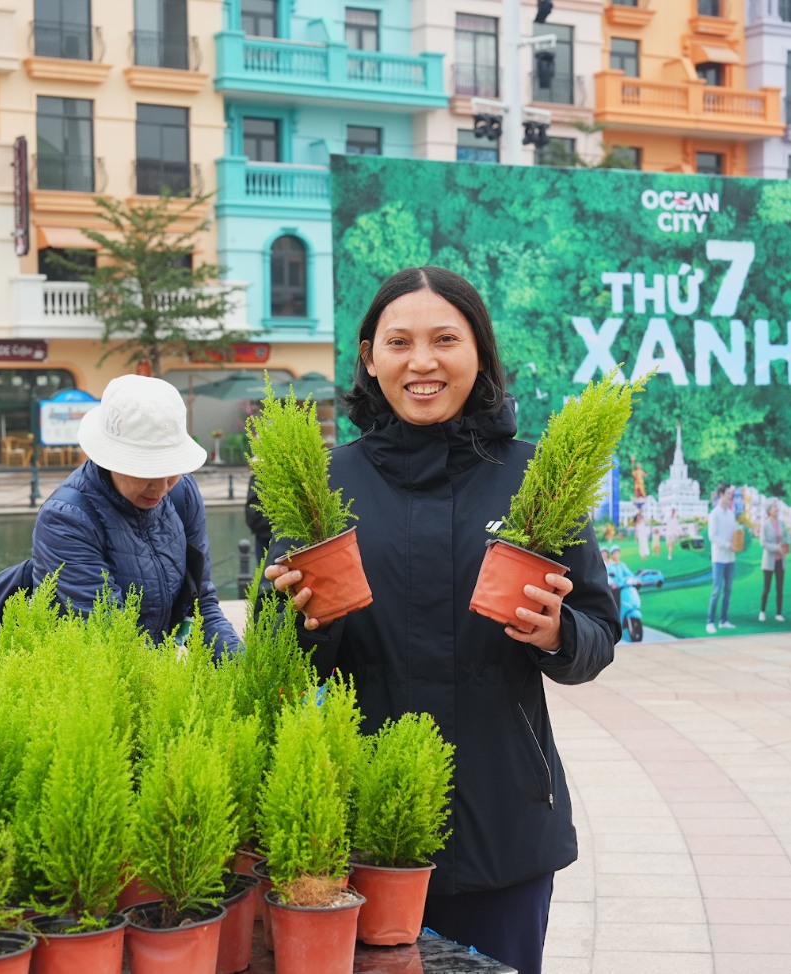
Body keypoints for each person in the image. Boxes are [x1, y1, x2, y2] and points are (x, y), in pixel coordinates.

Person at [264, 266, 620, 974]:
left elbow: (598, 633)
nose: (422, 362)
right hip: (358, 828)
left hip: (503, 827)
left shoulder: (536, 480)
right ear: (370, 358)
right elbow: (274, 655)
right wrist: (303, 623)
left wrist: (557, 632)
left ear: (479, 352)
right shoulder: (324, 485)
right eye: (399, 342)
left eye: (445, 340)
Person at [31, 374, 241, 657]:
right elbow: (110, 634)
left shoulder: (183, 494)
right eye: (147, 471)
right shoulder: (67, 518)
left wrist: (239, 663)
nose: (161, 487)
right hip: (91, 673)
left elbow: (201, 604)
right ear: (110, 460)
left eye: (172, 470)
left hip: (155, 665)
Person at [706, 485, 738, 634]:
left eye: (731, 494)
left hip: (731, 558)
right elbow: (712, 536)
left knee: (728, 590)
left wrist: (737, 541)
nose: (730, 497)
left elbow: (734, 533)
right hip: (719, 558)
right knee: (716, 591)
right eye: (728, 494)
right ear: (720, 495)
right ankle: (710, 622)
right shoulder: (714, 514)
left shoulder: (731, 514)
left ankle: (724, 620)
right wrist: (727, 545)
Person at [758, 500, 786, 623]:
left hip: (781, 560)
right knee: (766, 588)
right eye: (774, 507)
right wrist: (776, 548)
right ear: (769, 511)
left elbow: (785, 537)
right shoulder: (765, 525)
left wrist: (785, 546)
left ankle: (779, 613)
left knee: (780, 588)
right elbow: (763, 543)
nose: (777, 509)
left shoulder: (782, 524)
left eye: (777, 507)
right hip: (769, 561)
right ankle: (762, 612)